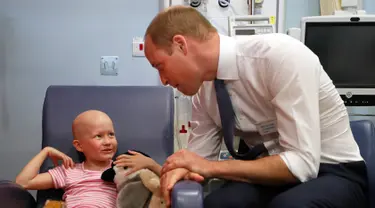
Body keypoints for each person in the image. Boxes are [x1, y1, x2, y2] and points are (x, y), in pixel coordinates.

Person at [143, 5, 368, 208]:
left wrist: (209, 167)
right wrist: (178, 170)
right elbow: (195, 161)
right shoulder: (204, 92)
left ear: (181, 45)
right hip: (272, 176)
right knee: (220, 203)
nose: (163, 80)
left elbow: (303, 164)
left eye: (160, 66)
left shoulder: (279, 57)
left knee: (289, 206)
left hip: (333, 171)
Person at [15, 110, 162, 208]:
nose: (108, 141)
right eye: (99, 136)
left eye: (111, 134)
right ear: (79, 146)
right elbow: (23, 182)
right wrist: (46, 151)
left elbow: (156, 184)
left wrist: (150, 164)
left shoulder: (122, 170)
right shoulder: (69, 170)